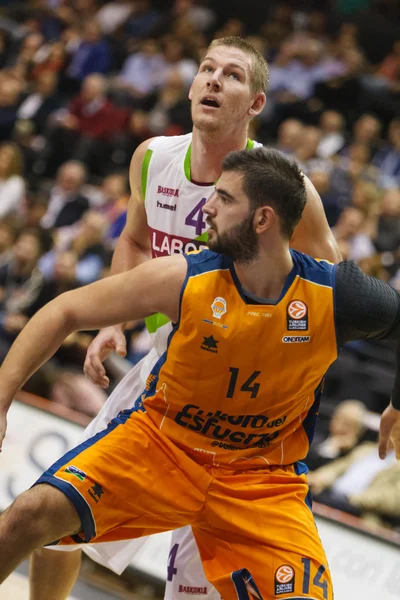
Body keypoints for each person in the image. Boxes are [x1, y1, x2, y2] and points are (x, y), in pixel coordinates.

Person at [0, 147, 400, 600]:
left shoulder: (336, 294)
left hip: (261, 477)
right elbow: (64, 310)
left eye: (224, 199)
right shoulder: (183, 277)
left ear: (262, 219)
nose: (206, 207)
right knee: (28, 515)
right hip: (162, 447)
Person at [29, 36, 341, 600]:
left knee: (199, 585)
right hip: (163, 371)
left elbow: (329, 275)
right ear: (192, 84)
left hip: (241, 397)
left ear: (256, 104)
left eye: (233, 75)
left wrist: (278, 345)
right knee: (54, 516)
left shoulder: (282, 186)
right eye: (206, 69)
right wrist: (111, 323)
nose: (214, 80)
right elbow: (133, 238)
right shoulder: (152, 156)